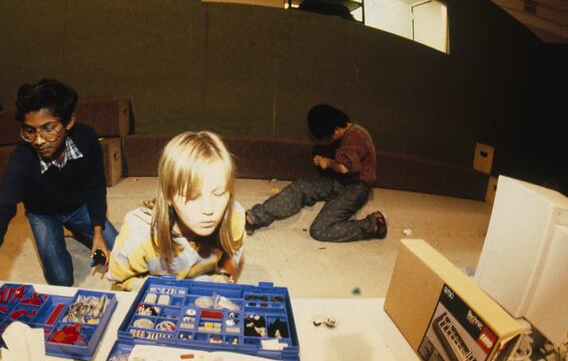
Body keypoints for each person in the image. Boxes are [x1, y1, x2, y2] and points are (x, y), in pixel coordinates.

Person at [0, 79, 118, 329]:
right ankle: (62, 239)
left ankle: (79, 234)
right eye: (30, 131)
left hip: (79, 206)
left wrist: (97, 231)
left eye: (48, 128)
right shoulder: (22, 159)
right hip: (43, 214)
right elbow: (0, 210)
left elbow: (95, 186)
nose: (38, 140)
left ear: (69, 121)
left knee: (119, 250)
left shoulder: (86, 139)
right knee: (60, 280)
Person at [106, 131, 246, 291]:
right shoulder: (138, 235)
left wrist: (225, 275)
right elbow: (119, 280)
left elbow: (234, 250)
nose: (209, 209)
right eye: (193, 196)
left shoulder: (234, 216)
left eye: (219, 193)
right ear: (168, 195)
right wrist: (158, 291)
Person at [245, 104, 386, 242]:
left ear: (337, 129)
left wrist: (328, 162)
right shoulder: (347, 134)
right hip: (338, 181)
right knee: (300, 187)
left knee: (320, 230)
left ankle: (373, 225)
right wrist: (325, 160)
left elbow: (345, 168)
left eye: (329, 137)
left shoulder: (356, 135)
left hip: (355, 188)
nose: (330, 141)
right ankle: (255, 218)